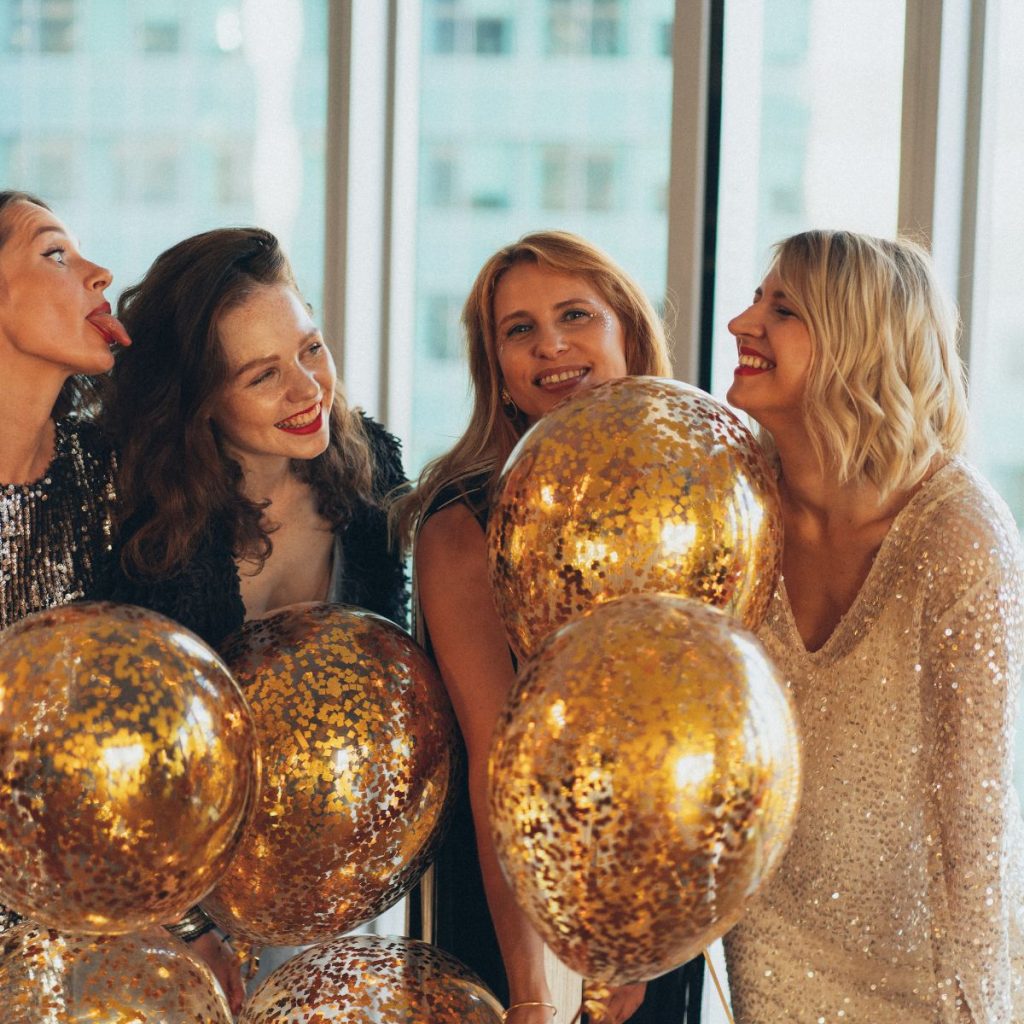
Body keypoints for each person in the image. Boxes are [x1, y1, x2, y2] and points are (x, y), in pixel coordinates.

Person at [395, 230, 704, 1024]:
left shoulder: (697, 503)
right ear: (496, 368)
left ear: (627, 333)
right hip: (515, 908)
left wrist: (647, 929)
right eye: (519, 329)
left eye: (576, 314)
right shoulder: (463, 521)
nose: (552, 345)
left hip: (665, 897)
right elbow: (502, 766)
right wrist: (536, 988)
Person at [721, 229, 1024, 1022]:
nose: (740, 324)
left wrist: (977, 1009)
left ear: (856, 341)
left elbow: (976, 820)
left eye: (780, 308)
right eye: (758, 299)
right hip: (771, 938)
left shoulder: (960, 534)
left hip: (927, 966)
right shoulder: (733, 506)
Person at [105, 226, 408, 1004]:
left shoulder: (373, 474)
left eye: (311, 349)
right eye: (263, 375)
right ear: (200, 399)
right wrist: (184, 930)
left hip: (329, 892)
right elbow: (126, 762)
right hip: (165, 908)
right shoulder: (144, 520)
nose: (308, 391)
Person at [0, 191, 241, 1008]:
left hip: (93, 951)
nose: (100, 274)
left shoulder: (120, 482)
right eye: (55, 254)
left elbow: (163, 732)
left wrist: (191, 925)